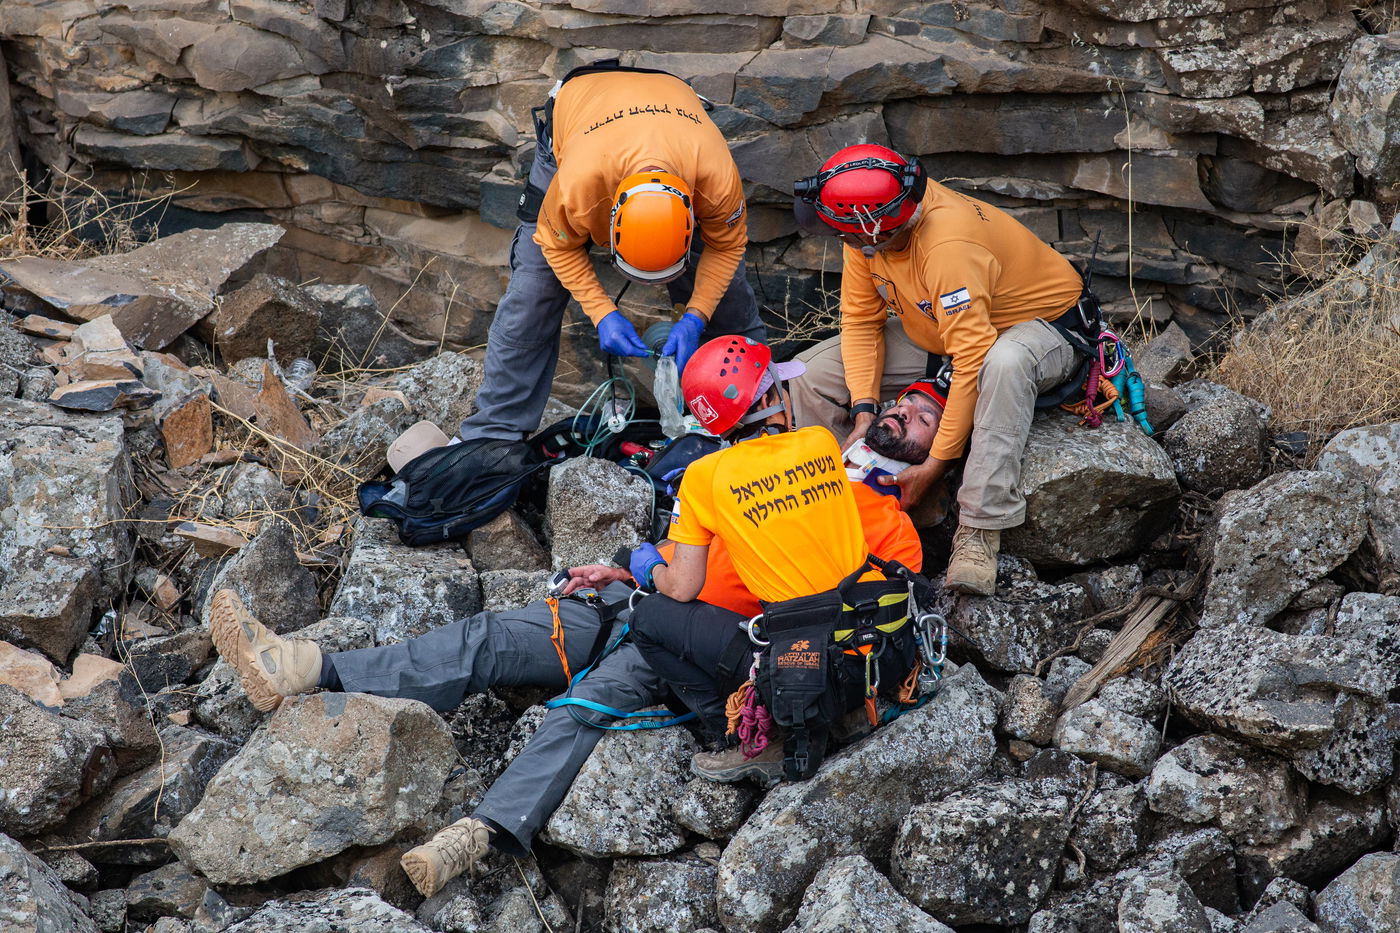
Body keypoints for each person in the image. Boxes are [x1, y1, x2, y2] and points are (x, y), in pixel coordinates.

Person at [787, 143, 1094, 598]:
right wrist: (865, 412)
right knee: (811, 374)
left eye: (846, 235)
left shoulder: (947, 246)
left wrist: (934, 465)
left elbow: (973, 357)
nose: (842, 241)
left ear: (875, 229)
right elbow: (859, 320)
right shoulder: (868, 223)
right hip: (937, 327)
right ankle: (835, 497)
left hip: (1039, 330)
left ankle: (978, 529)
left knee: (1002, 365)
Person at [626, 337, 931, 783]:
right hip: (868, 646)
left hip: (796, 664)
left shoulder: (704, 478)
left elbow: (683, 588)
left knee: (649, 618)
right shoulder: (821, 444)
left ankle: (746, 737)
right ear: (769, 398)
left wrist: (650, 568)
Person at [458, 60, 766, 444]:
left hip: (674, 111)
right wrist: (603, 313)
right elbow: (556, 245)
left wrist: (696, 317)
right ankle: (492, 435)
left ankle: (760, 408)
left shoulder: (715, 178)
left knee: (726, 296)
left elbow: (728, 245)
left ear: (691, 215)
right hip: (579, 116)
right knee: (533, 290)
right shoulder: (578, 185)